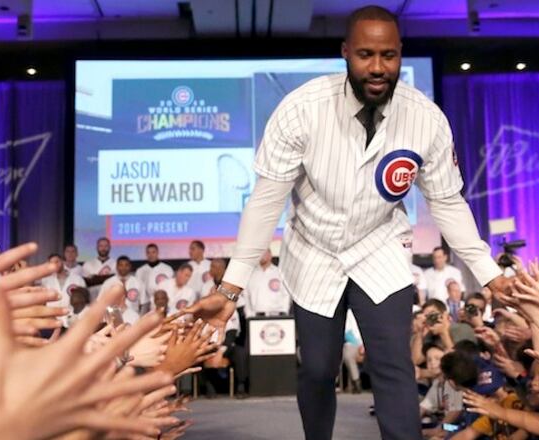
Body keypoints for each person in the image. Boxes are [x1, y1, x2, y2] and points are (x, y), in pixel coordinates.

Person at [181, 6, 510, 439]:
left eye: (388, 56)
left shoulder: (426, 119)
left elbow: (447, 202)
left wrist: (489, 274)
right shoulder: (302, 109)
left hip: (381, 247)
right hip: (314, 249)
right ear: (345, 54)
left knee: (392, 362)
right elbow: (266, 202)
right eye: (365, 55)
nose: (378, 68)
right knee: (318, 369)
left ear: (400, 54)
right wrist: (231, 288)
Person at [39, 253, 86, 326]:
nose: (54, 265)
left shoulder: (77, 279)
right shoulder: (46, 281)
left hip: (71, 318)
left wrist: (78, 316)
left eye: (57, 262)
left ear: (63, 262)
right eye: (51, 263)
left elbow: (84, 301)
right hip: (51, 319)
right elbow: (42, 302)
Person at [98, 256, 147, 324]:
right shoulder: (108, 283)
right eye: (121, 265)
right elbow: (100, 302)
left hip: (133, 319)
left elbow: (144, 303)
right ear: (117, 267)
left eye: (126, 265)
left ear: (130, 266)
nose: (123, 268)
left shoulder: (138, 282)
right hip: (112, 319)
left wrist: (141, 319)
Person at [244, 249, 291, 317]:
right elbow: (246, 295)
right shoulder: (251, 274)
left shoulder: (279, 272)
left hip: (277, 315)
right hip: (256, 316)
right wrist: (249, 314)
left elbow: (286, 294)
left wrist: (284, 312)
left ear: (270, 255)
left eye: (264, 253)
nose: (261, 256)